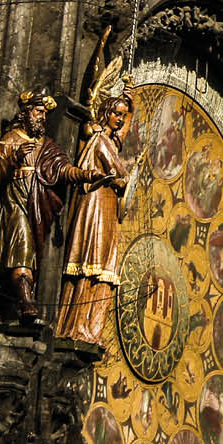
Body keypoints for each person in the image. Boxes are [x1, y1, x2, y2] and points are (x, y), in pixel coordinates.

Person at [0, 92, 105, 327]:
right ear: (26, 113)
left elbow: (63, 170)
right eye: (39, 112)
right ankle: (27, 304)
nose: (42, 118)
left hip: (36, 207)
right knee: (23, 250)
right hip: (13, 204)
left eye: (45, 114)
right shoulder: (12, 138)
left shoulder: (46, 146)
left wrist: (86, 175)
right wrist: (12, 160)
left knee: (15, 255)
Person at [56, 92, 133, 344]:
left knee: (103, 269)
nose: (120, 120)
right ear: (104, 113)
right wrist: (124, 179)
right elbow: (118, 173)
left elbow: (121, 139)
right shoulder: (100, 140)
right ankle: (77, 325)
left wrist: (131, 106)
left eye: (123, 116)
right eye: (116, 114)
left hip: (108, 206)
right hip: (96, 204)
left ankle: (91, 327)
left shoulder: (110, 140)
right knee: (90, 262)